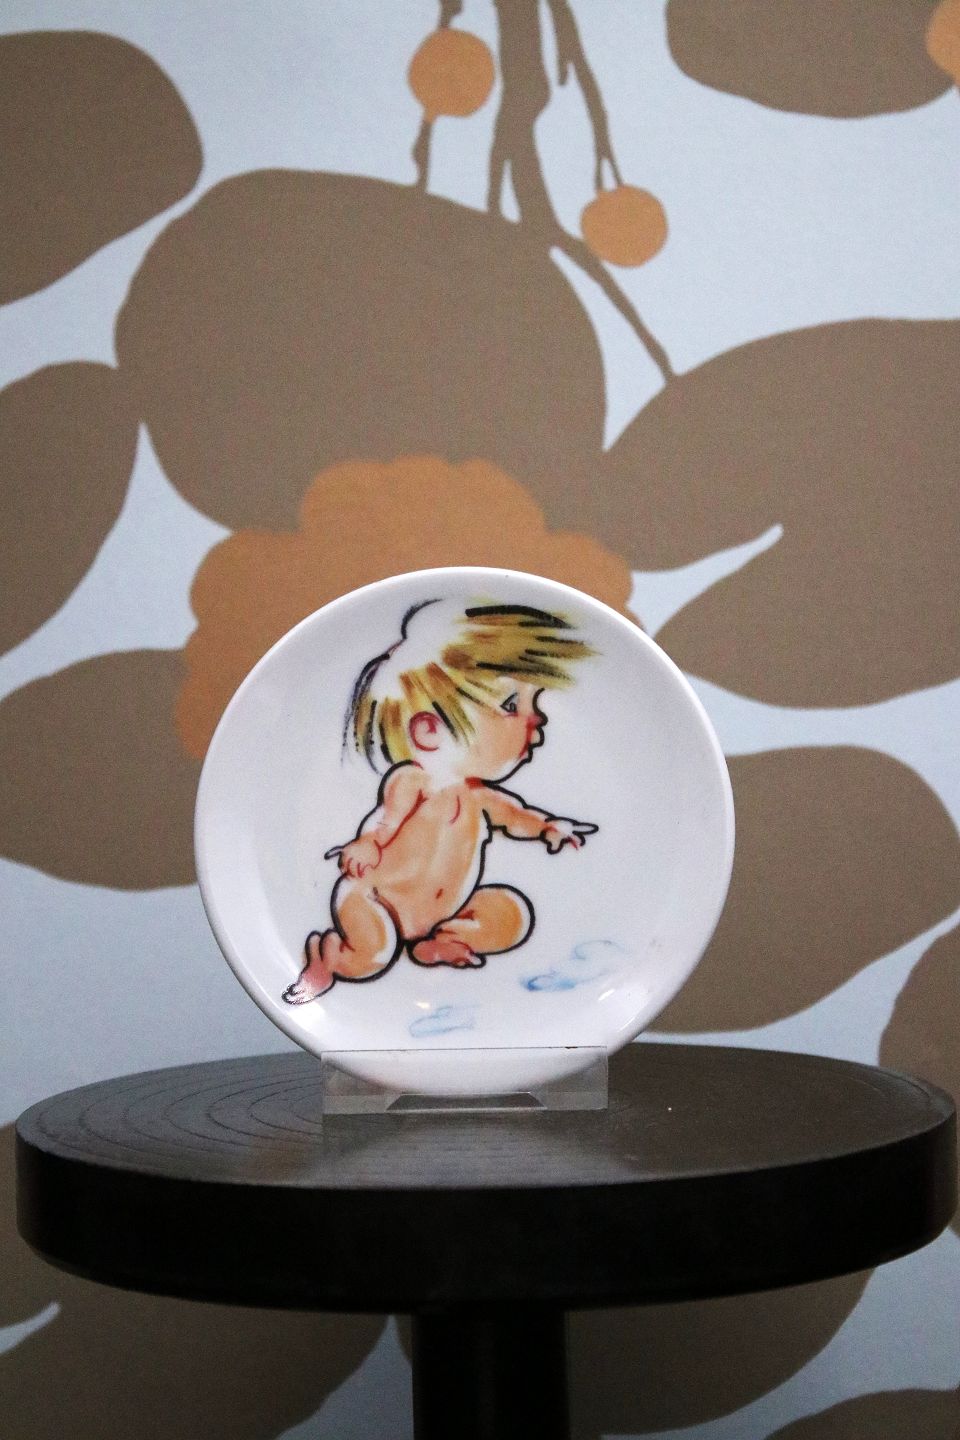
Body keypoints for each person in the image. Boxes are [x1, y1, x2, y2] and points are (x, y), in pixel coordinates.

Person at [283, 597, 598, 1003]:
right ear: (430, 732)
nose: (536, 719)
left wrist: (547, 828)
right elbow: (385, 822)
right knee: (373, 954)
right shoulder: (413, 781)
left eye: (531, 704)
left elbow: (515, 816)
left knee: (512, 914)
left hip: (441, 913)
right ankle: (327, 959)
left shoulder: (478, 797)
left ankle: (435, 943)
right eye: (511, 705)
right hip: (374, 900)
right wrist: (367, 844)